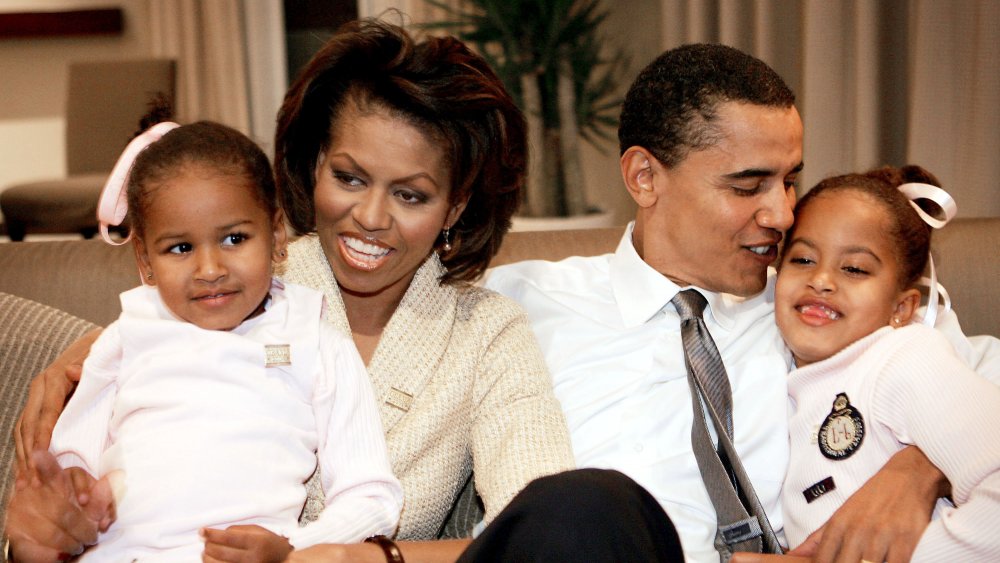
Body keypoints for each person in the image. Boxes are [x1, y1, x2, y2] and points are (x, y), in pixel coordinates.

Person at [6, 19, 574, 562]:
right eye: (349, 178)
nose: (370, 217)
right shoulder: (230, 278)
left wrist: (366, 557)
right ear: (313, 166)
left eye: (411, 195)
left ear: (455, 205)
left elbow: (546, 531)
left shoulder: (485, 335)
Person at [485, 43, 1000, 563]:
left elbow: (977, 388)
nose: (781, 214)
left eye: (790, 180)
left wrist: (919, 467)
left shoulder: (821, 307)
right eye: (748, 186)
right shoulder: (517, 305)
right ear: (644, 176)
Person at [44, 117, 402, 560]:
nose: (210, 269)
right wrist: (73, 490)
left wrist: (294, 550)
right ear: (145, 260)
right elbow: (68, 457)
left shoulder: (315, 340)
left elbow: (372, 495)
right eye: (180, 248)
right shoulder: (126, 337)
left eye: (234, 238)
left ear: (275, 236)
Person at [776, 165, 1000, 561]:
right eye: (803, 260)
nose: (822, 279)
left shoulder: (905, 357)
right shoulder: (788, 380)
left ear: (902, 308)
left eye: (855, 269)